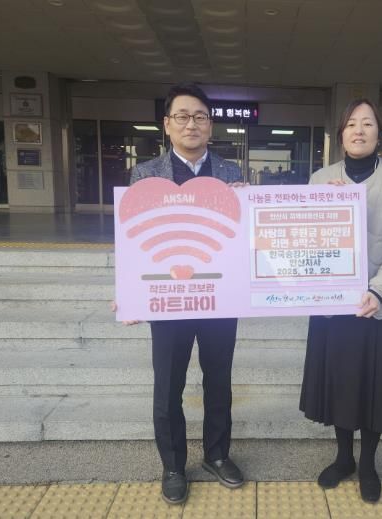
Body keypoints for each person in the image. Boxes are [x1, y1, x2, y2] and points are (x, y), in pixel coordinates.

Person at [121, 82, 245, 505]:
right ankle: (173, 465)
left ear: (210, 125)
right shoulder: (145, 175)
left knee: (219, 380)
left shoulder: (231, 173)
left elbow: (241, 238)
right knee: (168, 385)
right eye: (182, 116)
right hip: (168, 299)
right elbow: (133, 238)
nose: (191, 124)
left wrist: (248, 205)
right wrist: (130, 291)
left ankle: (217, 455)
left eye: (200, 117)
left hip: (219, 297)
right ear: (167, 124)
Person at [299, 98, 382, 503]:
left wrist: (378, 289)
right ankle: (343, 459)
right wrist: (324, 207)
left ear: (378, 134)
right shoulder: (321, 179)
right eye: (351, 123)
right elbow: (302, 238)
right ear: (341, 135)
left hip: (381, 306)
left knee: (374, 389)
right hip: (334, 303)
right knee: (341, 385)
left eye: (367, 123)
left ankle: (368, 464)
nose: (359, 130)